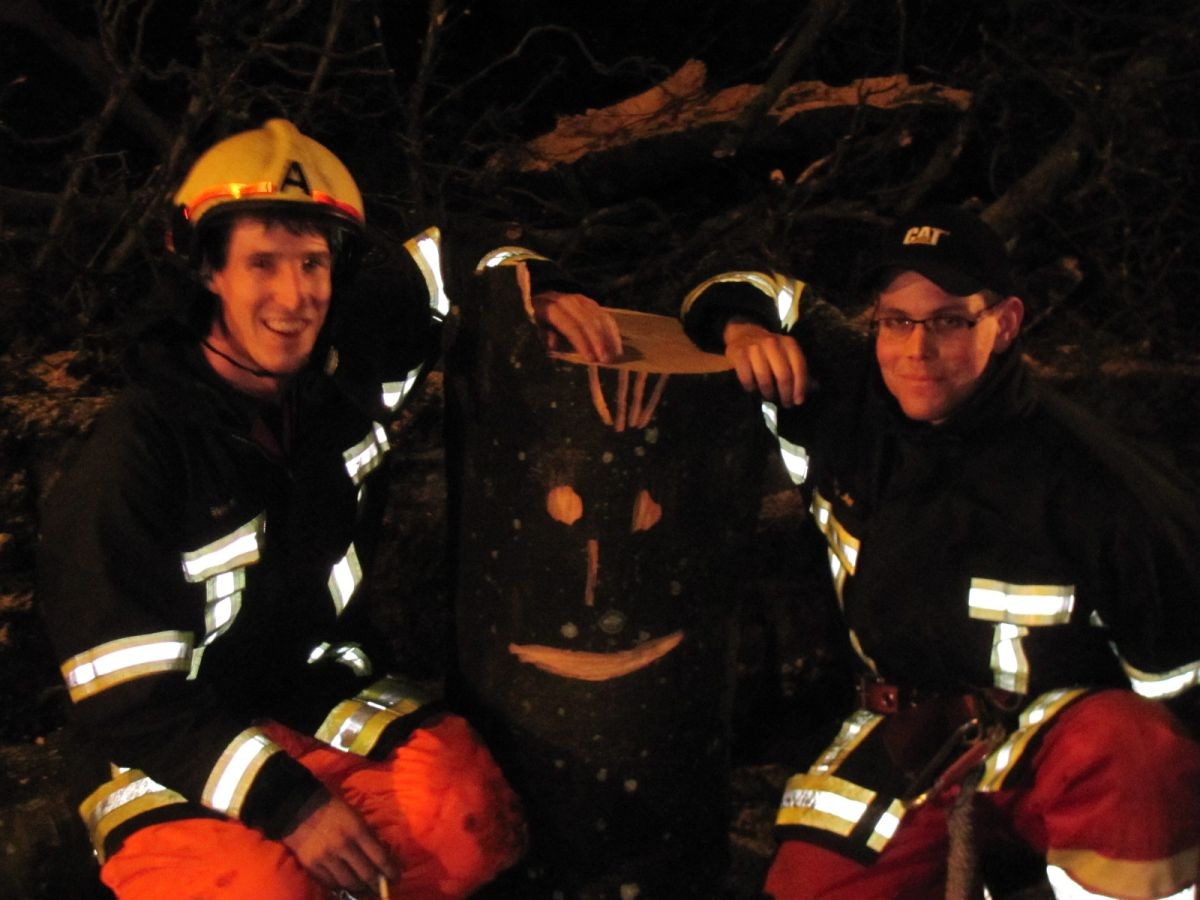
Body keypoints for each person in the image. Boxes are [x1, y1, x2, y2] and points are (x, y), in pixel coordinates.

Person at [36, 118, 620, 900]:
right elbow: (126, 700)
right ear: (207, 270)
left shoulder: (344, 369)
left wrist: (534, 288)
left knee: (471, 825)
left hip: (315, 693)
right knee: (261, 890)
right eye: (262, 263)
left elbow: (446, 257)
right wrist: (292, 806)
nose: (294, 296)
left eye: (312, 262)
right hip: (170, 746)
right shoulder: (134, 457)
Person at [679, 204, 1200, 899]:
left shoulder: (1097, 485)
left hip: (1062, 756)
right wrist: (740, 329)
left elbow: (1182, 693)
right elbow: (739, 283)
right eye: (897, 321)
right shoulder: (844, 401)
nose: (916, 350)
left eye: (950, 322)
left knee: (1138, 755)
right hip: (910, 739)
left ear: (1004, 324)